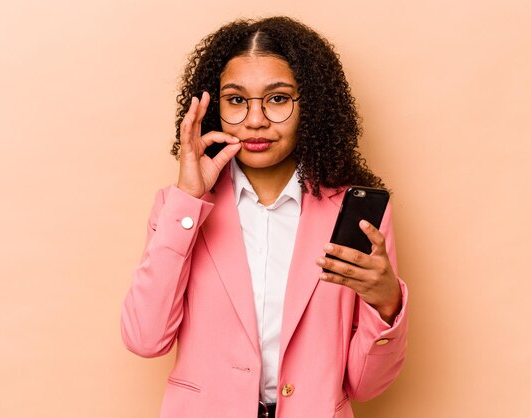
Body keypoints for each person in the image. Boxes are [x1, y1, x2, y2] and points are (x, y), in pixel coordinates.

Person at [121, 16, 408, 418]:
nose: (255, 120)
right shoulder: (178, 209)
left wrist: (387, 304)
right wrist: (188, 199)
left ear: (311, 105)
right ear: (214, 107)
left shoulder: (352, 213)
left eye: (277, 99)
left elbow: (365, 385)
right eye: (237, 100)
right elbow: (145, 338)